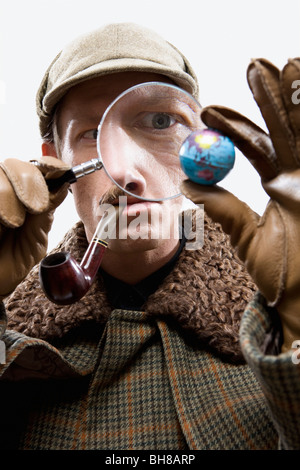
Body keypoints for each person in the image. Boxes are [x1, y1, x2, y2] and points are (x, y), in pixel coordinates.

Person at [0, 22, 299, 450]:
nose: (124, 172)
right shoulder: (13, 341)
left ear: (195, 142)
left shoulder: (274, 325)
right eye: (91, 134)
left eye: (160, 121)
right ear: (53, 166)